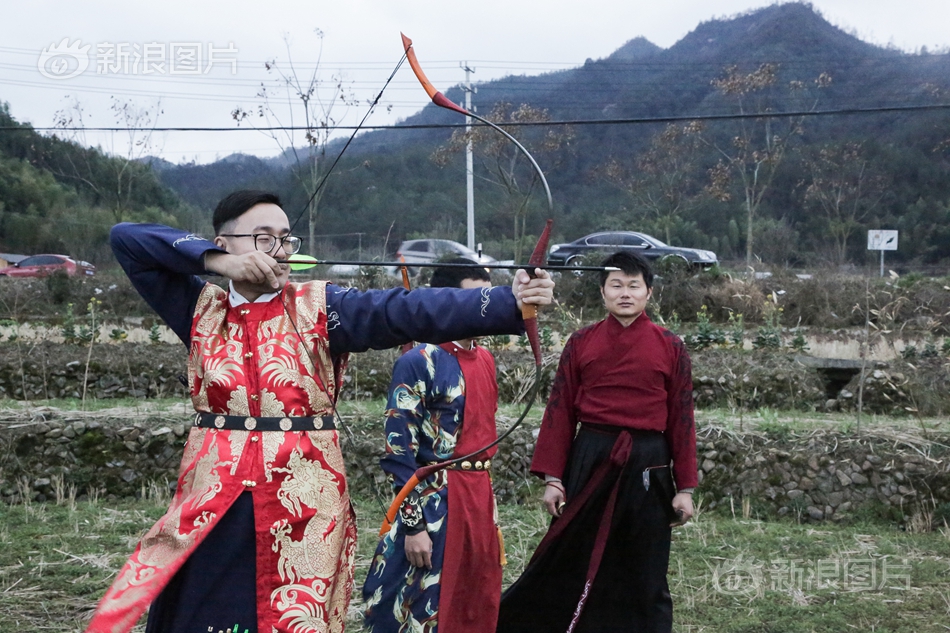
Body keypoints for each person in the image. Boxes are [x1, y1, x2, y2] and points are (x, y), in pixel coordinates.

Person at [83, 190, 554, 633]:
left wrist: (509, 303)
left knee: (293, 613)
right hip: (212, 498)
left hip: (303, 501)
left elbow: (406, 310)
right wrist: (217, 262)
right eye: (263, 238)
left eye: (286, 238)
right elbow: (127, 237)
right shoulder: (198, 306)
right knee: (203, 608)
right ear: (224, 242)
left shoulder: (323, 306)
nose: (280, 249)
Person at [495, 250, 697, 633]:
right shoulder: (581, 342)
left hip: (648, 466)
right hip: (591, 457)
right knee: (573, 554)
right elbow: (560, 411)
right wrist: (554, 477)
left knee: (645, 565)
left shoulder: (670, 346)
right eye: (616, 285)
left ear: (648, 293)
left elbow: (683, 419)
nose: (625, 293)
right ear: (603, 293)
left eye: (633, 286)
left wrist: (684, 487)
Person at [362, 259, 504, 633]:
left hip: (478, 498)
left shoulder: (487, 358)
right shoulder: (418, 361)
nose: (483, 308)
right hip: (434, 499)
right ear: (445, 300)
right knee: (422, 604)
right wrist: (413, 527)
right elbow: (399, 448)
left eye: (488, 299)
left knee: (475, 596)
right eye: (474, 299)